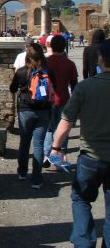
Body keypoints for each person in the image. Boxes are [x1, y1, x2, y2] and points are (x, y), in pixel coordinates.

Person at [50, 39, 110, 248]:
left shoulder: (86, 88)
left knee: (81, 200)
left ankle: (83, 245)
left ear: (101, 60)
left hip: (91, 157)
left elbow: (66, 122)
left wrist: (56, 148)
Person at [10, 43, 56, 188]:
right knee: (38, 145)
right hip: (44, 111)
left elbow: (12, 88)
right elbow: (54, 89)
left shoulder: (22, 72)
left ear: (27, 56)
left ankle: (22, 172)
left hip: (25, 110)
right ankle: (36, 179)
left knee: (24, 142)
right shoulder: (49, 71)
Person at [43, 34, 78, 167]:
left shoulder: (46, 62)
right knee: (63, 128)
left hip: (48, 100)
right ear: (64, 47)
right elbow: (74, 84)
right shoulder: (70, 64)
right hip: (64, 99)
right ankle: (61, 156)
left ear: (51, 46)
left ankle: (47, 155)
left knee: (49, 128)